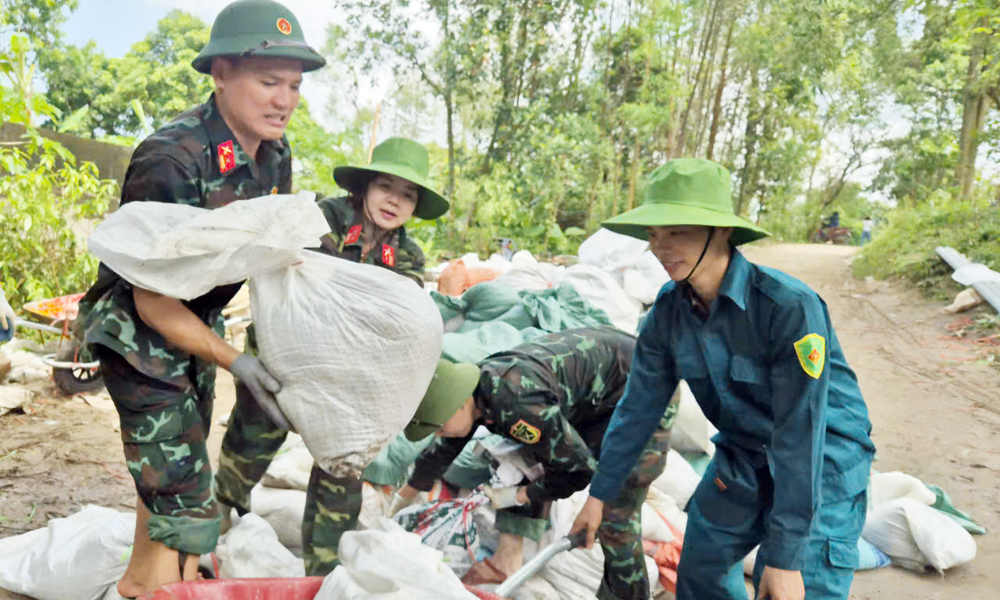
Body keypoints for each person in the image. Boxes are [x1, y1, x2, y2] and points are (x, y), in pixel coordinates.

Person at [73, 1, 325, 595]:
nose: (284, 99)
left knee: (168, 475)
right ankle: (158, 590)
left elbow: (264, 248)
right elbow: (154, 304)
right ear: (219, 75)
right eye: (268, 81)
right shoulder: (170, 161)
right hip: (138, 335)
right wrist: (236, 360)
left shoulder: (275, 155)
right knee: (188, 501)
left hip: (197, 327)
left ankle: (140, 582)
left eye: (293, 85)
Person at [571, 158, 875, 600]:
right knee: (702, 565)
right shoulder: (667, 314)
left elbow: (799, 433)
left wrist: (786, 559)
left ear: (723, 232)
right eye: (654, 234)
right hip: (744, 453)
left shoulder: (787, 307)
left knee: (801, 588)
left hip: (822, 459)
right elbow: (637, 410)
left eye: (677, 231)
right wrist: (598, 496)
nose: (661, 247)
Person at [214, 136, 450, 576]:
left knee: (341, 474)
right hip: (283, 363)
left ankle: (321, 573)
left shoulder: (409, 258)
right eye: (386, 187)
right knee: (246, 450)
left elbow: (397, 324)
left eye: (408, 195)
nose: (394, 201)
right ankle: (213, 535)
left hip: (350, 389)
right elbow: (290, 274)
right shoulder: (323, 216)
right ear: (365, 188)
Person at [392, 326, 676, 600]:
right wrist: (406, 495)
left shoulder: (515, 403)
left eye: (440, 427)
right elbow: (446, 445)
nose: (441, 434)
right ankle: (507, 560)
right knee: (522, 458)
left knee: (615, 513)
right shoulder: (474, 392)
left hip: (646, 387)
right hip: (601, 394)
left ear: (458, 405)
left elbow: (578, 469)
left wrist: (522, 494)